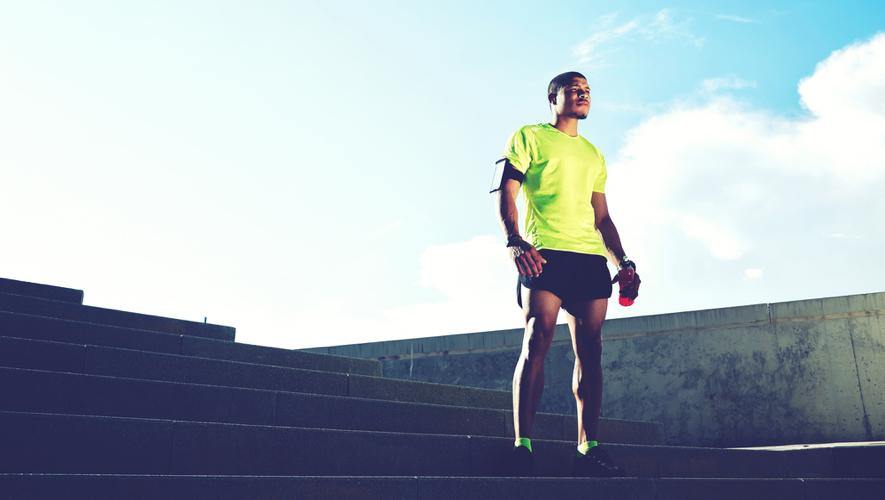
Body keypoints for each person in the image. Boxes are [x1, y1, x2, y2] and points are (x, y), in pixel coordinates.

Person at [490, 71, 639, 477]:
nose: (582, 94)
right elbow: (507, 190)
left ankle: (588, 447)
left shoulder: (593, 154)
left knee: (591, 350)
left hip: (589, 258)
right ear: (552, 97)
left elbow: (602, 217)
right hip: (545, 253)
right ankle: (522, 445)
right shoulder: (529, 137)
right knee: (537, 336)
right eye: (574, 89)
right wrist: (514, 240)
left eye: (587, 90)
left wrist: (623, 262)